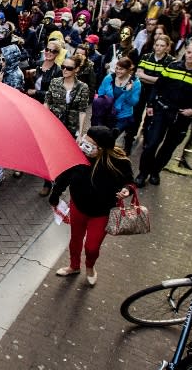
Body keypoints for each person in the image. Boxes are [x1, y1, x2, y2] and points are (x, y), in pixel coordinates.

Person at [49, 127, 134, 286]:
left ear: (101, 148)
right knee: (75, 239)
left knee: (92, 247)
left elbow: (129, 181)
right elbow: (65, 176)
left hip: (102, 213)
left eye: (89, 145)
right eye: (84, 142)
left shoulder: (118, 162)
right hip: (78, 207)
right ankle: (74, 266)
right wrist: (55, 194)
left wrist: (127, 190)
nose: (83, 147)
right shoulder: (77, 157)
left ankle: (90, 268)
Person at [135, 39, 192, 186]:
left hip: (182, 116)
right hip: (163, 110)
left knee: (168, 147)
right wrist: (150, 104)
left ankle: (155, 172)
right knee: (151, 144)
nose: (190, 56)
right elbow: (158, 85)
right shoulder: (173, 66)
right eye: (188, 52)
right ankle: (142, 174)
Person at [42, 54, 91, 196]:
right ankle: (47, 182)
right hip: (54, 125)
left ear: (76, 69)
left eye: (69, 68)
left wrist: (80, 134)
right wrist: (45, 120)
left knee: (64, 157)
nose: (64, 70)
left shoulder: (83, 87)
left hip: (70, 127)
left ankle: (58, 184)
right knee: (50, 154)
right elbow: (47, 101)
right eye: (63, 67)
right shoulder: (55, 82)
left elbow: (83, 111)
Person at [96, 58, 141, 145]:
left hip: (123, 116)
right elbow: (100, 92)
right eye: (117, 68)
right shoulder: (109, 78)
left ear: (128, 70)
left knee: (110, 138)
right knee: (100, 137)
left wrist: (128, 92)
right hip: (107, 113)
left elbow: (134, 102)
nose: (118, 71)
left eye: (121, 69)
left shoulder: (135, 82)